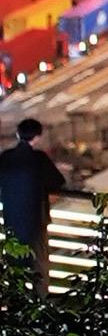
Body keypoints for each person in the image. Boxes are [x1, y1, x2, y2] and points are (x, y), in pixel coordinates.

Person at [0, 117, 63, 286]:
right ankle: (39, 304)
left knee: (15, 263)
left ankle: (16, 302)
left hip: (11, 219)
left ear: (18, 134)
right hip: (35, 220)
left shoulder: (6, 157)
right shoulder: (39, 159)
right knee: (38, 266)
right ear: (37, 137)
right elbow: (57, 181)